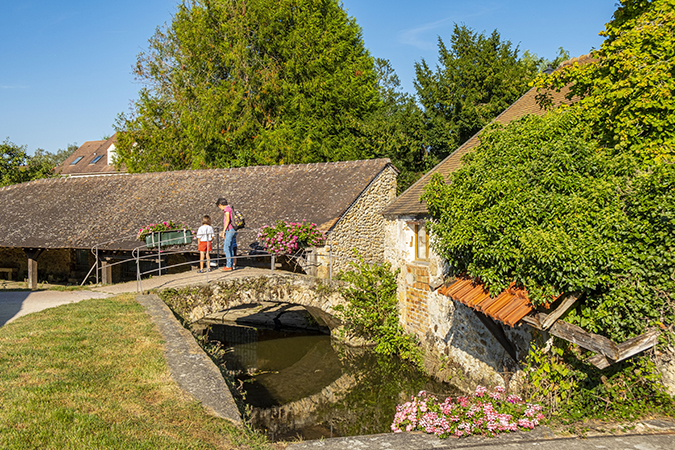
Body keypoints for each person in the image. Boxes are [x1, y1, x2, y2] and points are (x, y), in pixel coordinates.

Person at [216, 198, 237, 271]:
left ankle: (228, 265)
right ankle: (230, 265)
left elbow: (227, 219)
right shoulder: (230, 207)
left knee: (226, 247)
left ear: (220, 205)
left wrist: (223, 231)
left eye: (219, 207)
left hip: (230, 229)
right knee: (230, 247)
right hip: (233, 229)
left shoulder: (227, 209)